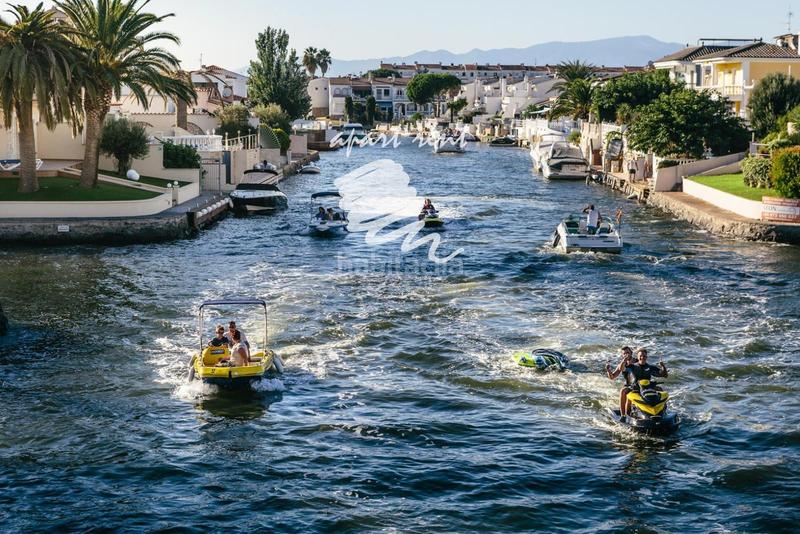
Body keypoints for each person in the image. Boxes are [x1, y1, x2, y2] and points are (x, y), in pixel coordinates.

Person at [606, 346, 635, 418]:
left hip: (639, 384)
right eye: (624, 353)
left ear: (631, 353)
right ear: (622, 355)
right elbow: (612, 377)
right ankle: (623, 415)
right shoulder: (622, 364)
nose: (626, 354)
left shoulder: (638, 361)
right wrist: (608, 370)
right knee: (623, 391)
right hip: (629, 385)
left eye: (628, 352)